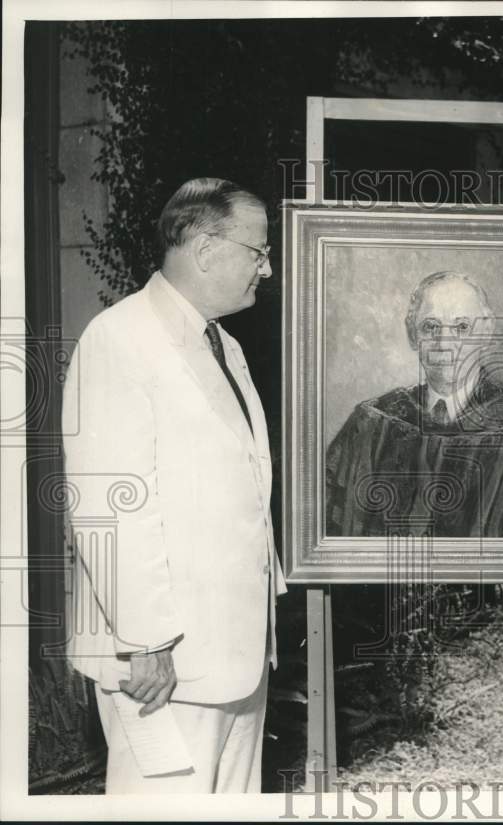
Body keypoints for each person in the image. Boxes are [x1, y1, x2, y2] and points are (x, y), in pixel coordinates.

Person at [62, 178, 286, 793]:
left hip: (232, 654)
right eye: (258, 251)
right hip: (161, 663)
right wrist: (145, 641)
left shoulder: (225, 346)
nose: (265, 269)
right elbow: (107, 505)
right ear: (207, 248)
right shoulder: (119, 339)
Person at [325, 270, 503, 538]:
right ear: (412, 334)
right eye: (430, 327)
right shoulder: (371, 425)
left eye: (462, 327)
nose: (444, 343)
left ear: (486, 332)